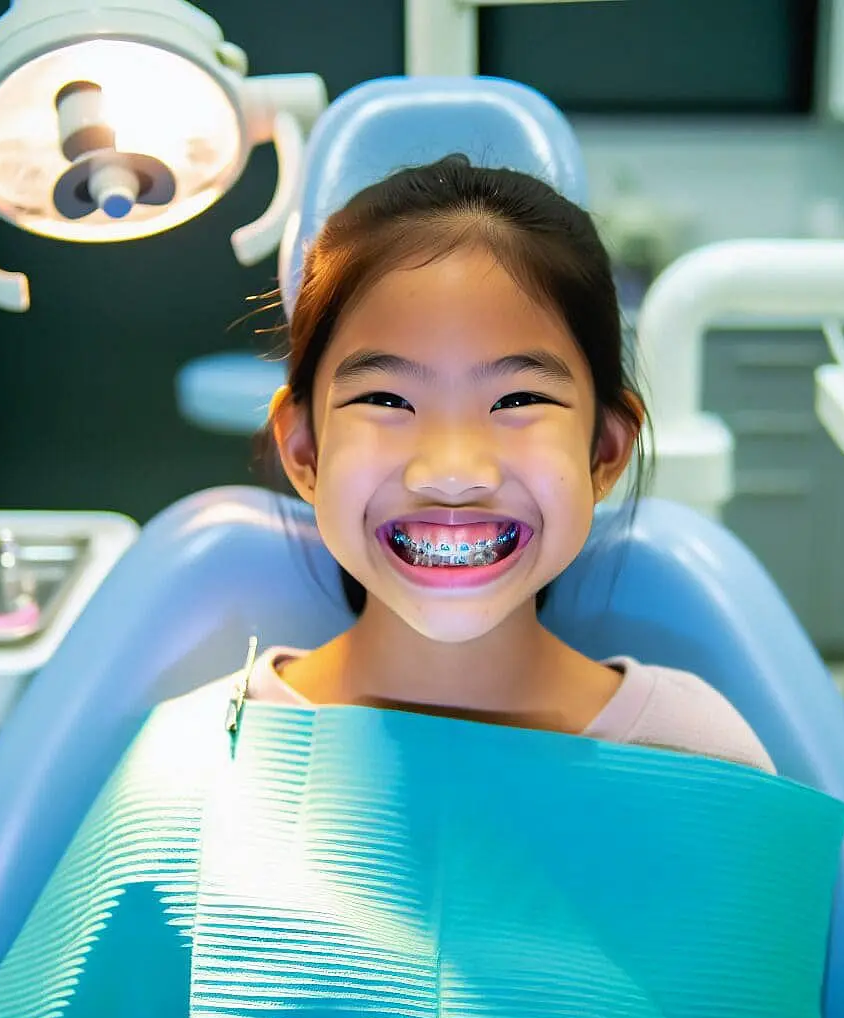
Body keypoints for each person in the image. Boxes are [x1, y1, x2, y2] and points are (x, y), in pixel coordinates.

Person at [222, 152, 774, 773]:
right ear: (304, 450)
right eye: (385, 399)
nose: (453, 471)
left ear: (606, 450)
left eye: (519, 400)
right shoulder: (203, 763)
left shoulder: (701, 759)